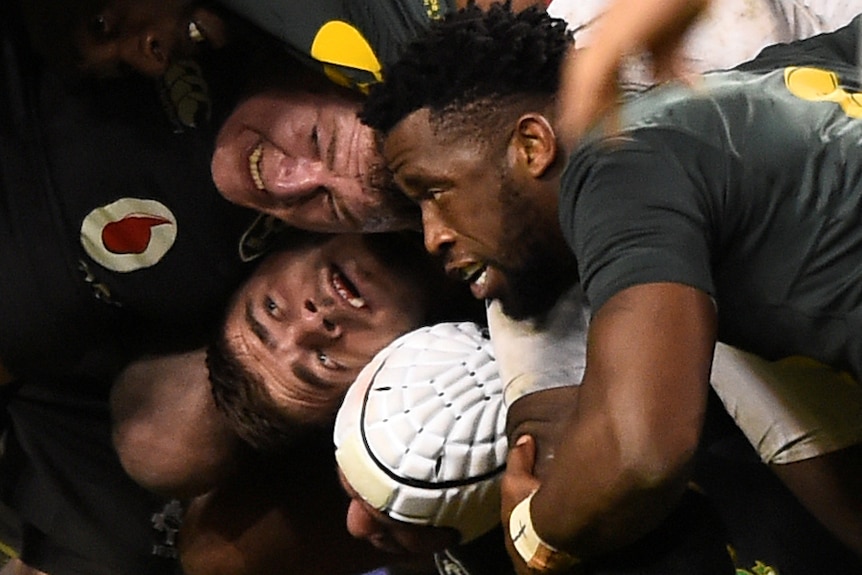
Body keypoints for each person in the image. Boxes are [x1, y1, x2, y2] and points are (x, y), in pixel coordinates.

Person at [360, 3, 862, 570]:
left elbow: (639, 453)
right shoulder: (771, 81)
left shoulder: (616, 170)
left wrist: (534, 534)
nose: (432, 237)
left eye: (433, 190)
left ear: (531, 145)